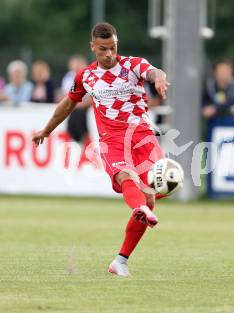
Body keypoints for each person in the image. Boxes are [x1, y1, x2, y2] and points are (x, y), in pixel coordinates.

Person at [32, 22, 171, 277]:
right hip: (112, 140)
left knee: (152, 196)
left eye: (113, 48)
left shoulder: (132, 65)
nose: (109, 54)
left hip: (142, 137)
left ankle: (120, 261)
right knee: (126, 177)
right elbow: (67, 105)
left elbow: (152, 72)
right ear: (93, 47)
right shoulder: (85, 76)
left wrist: (159, 77)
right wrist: (46, 130)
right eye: (104, 49)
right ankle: (139, 207)